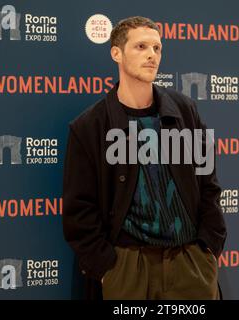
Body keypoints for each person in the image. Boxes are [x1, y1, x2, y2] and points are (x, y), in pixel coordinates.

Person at [62, 16, 226, 300]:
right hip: (128, 270)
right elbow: (79, 211)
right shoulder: (89, 127)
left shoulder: (186, 112)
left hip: (190, 266)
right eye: (140, 46)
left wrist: (208, 249)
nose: (152, 55)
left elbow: (208, 185)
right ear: (116, 52)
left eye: (157, 48)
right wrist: (108, 268)